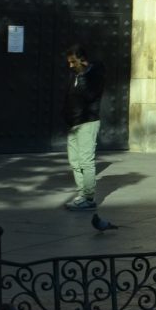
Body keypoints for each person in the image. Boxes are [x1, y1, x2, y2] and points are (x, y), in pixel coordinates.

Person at [63, 44, 116, 230]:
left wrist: (83, 77)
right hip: (74, 124)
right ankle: (81, 194)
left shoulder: (94, 75)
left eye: (72, 62)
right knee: (74, 161)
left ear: (81, 60)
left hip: (88, 121)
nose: (70, 66)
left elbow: (90, 95)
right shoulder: (75, 74)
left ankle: (89, 198)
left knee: (86, 160)